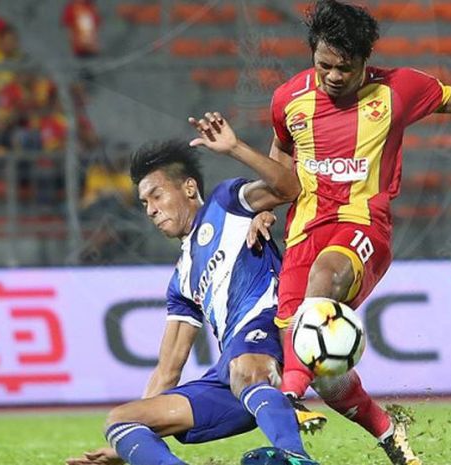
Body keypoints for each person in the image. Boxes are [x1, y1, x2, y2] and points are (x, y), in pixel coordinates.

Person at [201, 1, 451, 464]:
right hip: (303, 230)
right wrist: (265, 209)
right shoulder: (288, 99)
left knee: (321, 288)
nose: (333, 76)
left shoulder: (398, 90)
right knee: (323, 366)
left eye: (344, 68)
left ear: (366, 61)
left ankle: (289, 398)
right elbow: (282, 158)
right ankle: (388, 432)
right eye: (323, 65)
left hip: (364, 227)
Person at [65, 138, 319, 465]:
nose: (151, 209)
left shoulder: (228, 203)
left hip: (269, 336)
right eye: (144, 203)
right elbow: (168, 367)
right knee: (121, 419)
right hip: (232, 375)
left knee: (244, 368)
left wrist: (236, 151)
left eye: (156, 195)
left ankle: (296, 458)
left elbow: (289, 187)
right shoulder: (182, 279)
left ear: (188, 188)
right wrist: (130, 445)